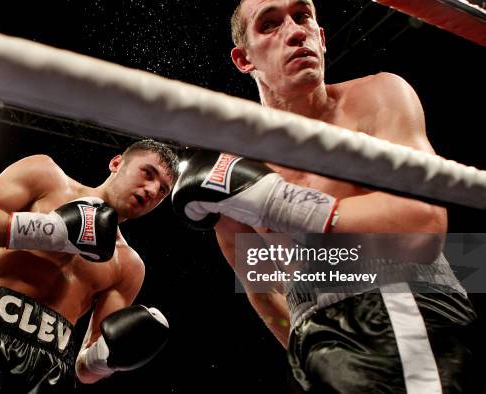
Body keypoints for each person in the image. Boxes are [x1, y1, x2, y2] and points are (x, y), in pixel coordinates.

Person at [172, 1, 476, 392]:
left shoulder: (377, 97)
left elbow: (422, 226)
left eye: (303, 17)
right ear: (244, 59)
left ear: (322, 37)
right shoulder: (229, 165)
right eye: (269, 25)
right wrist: (303, 345)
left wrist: (276, 202)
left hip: (405, 306)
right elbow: (263, 292)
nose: (295, 31)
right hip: (316, 345)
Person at [0, 139, 178, 393]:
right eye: (147, 173)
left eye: (163, 190)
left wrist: (105, 359)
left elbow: (85, 370)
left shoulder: (129, 266)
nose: (152, 189)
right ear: (117, 163)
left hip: (48, 372)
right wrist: (52, 231)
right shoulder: (46, 177)